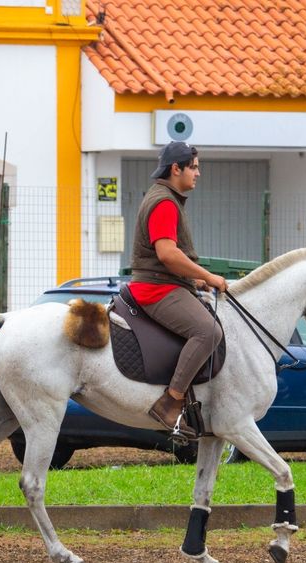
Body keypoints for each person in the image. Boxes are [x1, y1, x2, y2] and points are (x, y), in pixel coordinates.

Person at [129, 141, 227, 438]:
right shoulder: (164, 203)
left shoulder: (165, 198)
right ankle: (171, 402)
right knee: (209, 331)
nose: (198, 173)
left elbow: (168, 260)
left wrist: (192, 279)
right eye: (194, 167)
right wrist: (208, 276)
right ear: (176, 168)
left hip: (163, 283)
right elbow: (168, 254)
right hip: (155, 290)